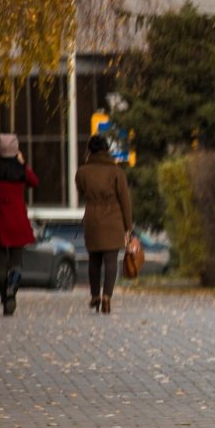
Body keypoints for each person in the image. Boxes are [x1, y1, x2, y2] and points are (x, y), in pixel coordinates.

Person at [76, 134, 133, 314]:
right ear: (108, 150)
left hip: (92, 217)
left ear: (90, 150)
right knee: (110, 261)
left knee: (94, 260)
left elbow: (80, 189)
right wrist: (128, 226)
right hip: (113, 219)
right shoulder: (116, 172)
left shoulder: (83, 171)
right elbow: (125, 200)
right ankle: (107, 296)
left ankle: (95, 295)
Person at [0, 133, 38, 316]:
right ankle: (12, 291)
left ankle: (5, 299)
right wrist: (23, 163)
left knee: (0, 265)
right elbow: (34, 181)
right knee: (16, 262)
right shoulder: (20, 171)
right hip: (17, 220)